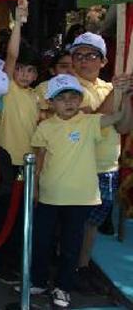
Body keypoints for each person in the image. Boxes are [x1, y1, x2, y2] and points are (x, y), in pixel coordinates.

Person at [30, 74, 130, 309]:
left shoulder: (89, 121)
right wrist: (34, 188)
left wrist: (123, 95)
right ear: (51, 103)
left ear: (80, 99)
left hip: (80, 198)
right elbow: (39, 159)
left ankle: (63, 287)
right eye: (61, 98)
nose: (68, 102)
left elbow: (118, 118)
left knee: (71, 246)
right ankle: (38, 281)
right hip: (49, 196)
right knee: (42, 241)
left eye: (73, 97)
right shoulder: (44, 126)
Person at [67, 33, 132, 293]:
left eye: (91, 55)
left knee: (92, 224)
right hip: (79, 167)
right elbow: (90, 120)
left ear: (103, 61)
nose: (84, 61)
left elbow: (123, 125)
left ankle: (82, 268)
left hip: (107, 166)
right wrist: (117, 91)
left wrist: (125, 96)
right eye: (78, 55)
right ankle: (66, 270)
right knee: (74, 223)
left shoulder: (109, 87)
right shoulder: (68, 86)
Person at [0, 26, 41, 280]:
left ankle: (14, 261)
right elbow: (11, 56)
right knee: (2, 216)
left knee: (21, 218)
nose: (24, 74)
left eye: (30, 70)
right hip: (5, 161)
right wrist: (19, 23)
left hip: (28, 165)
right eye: (20, 68)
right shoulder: (6, 87)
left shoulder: (38, 96)